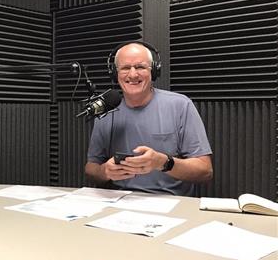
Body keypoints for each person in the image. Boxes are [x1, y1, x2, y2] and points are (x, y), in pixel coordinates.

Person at [85, 41, 213, 196]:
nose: (133, 74)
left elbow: (205, 171)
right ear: (114, 73)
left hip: (169, 203)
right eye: (125, 68)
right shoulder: (106, 110)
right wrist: (104, 171)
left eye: (140, 67)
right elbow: (91, 169)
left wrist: (164, 162)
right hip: (120, 203)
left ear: (154, 70)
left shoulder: (180, 105)